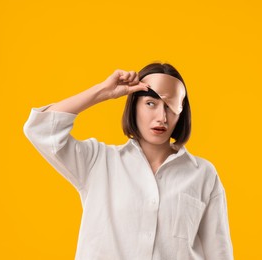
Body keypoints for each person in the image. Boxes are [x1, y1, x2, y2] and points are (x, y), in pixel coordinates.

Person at [23, 62, 234, 260]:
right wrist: (103, 92)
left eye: (169, 106)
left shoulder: (203, 174)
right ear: (134, 106)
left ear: (181, 112)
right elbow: (40, 129)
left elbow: (219, 252)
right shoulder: (98, 162)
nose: (162, 117)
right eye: (150, 103)